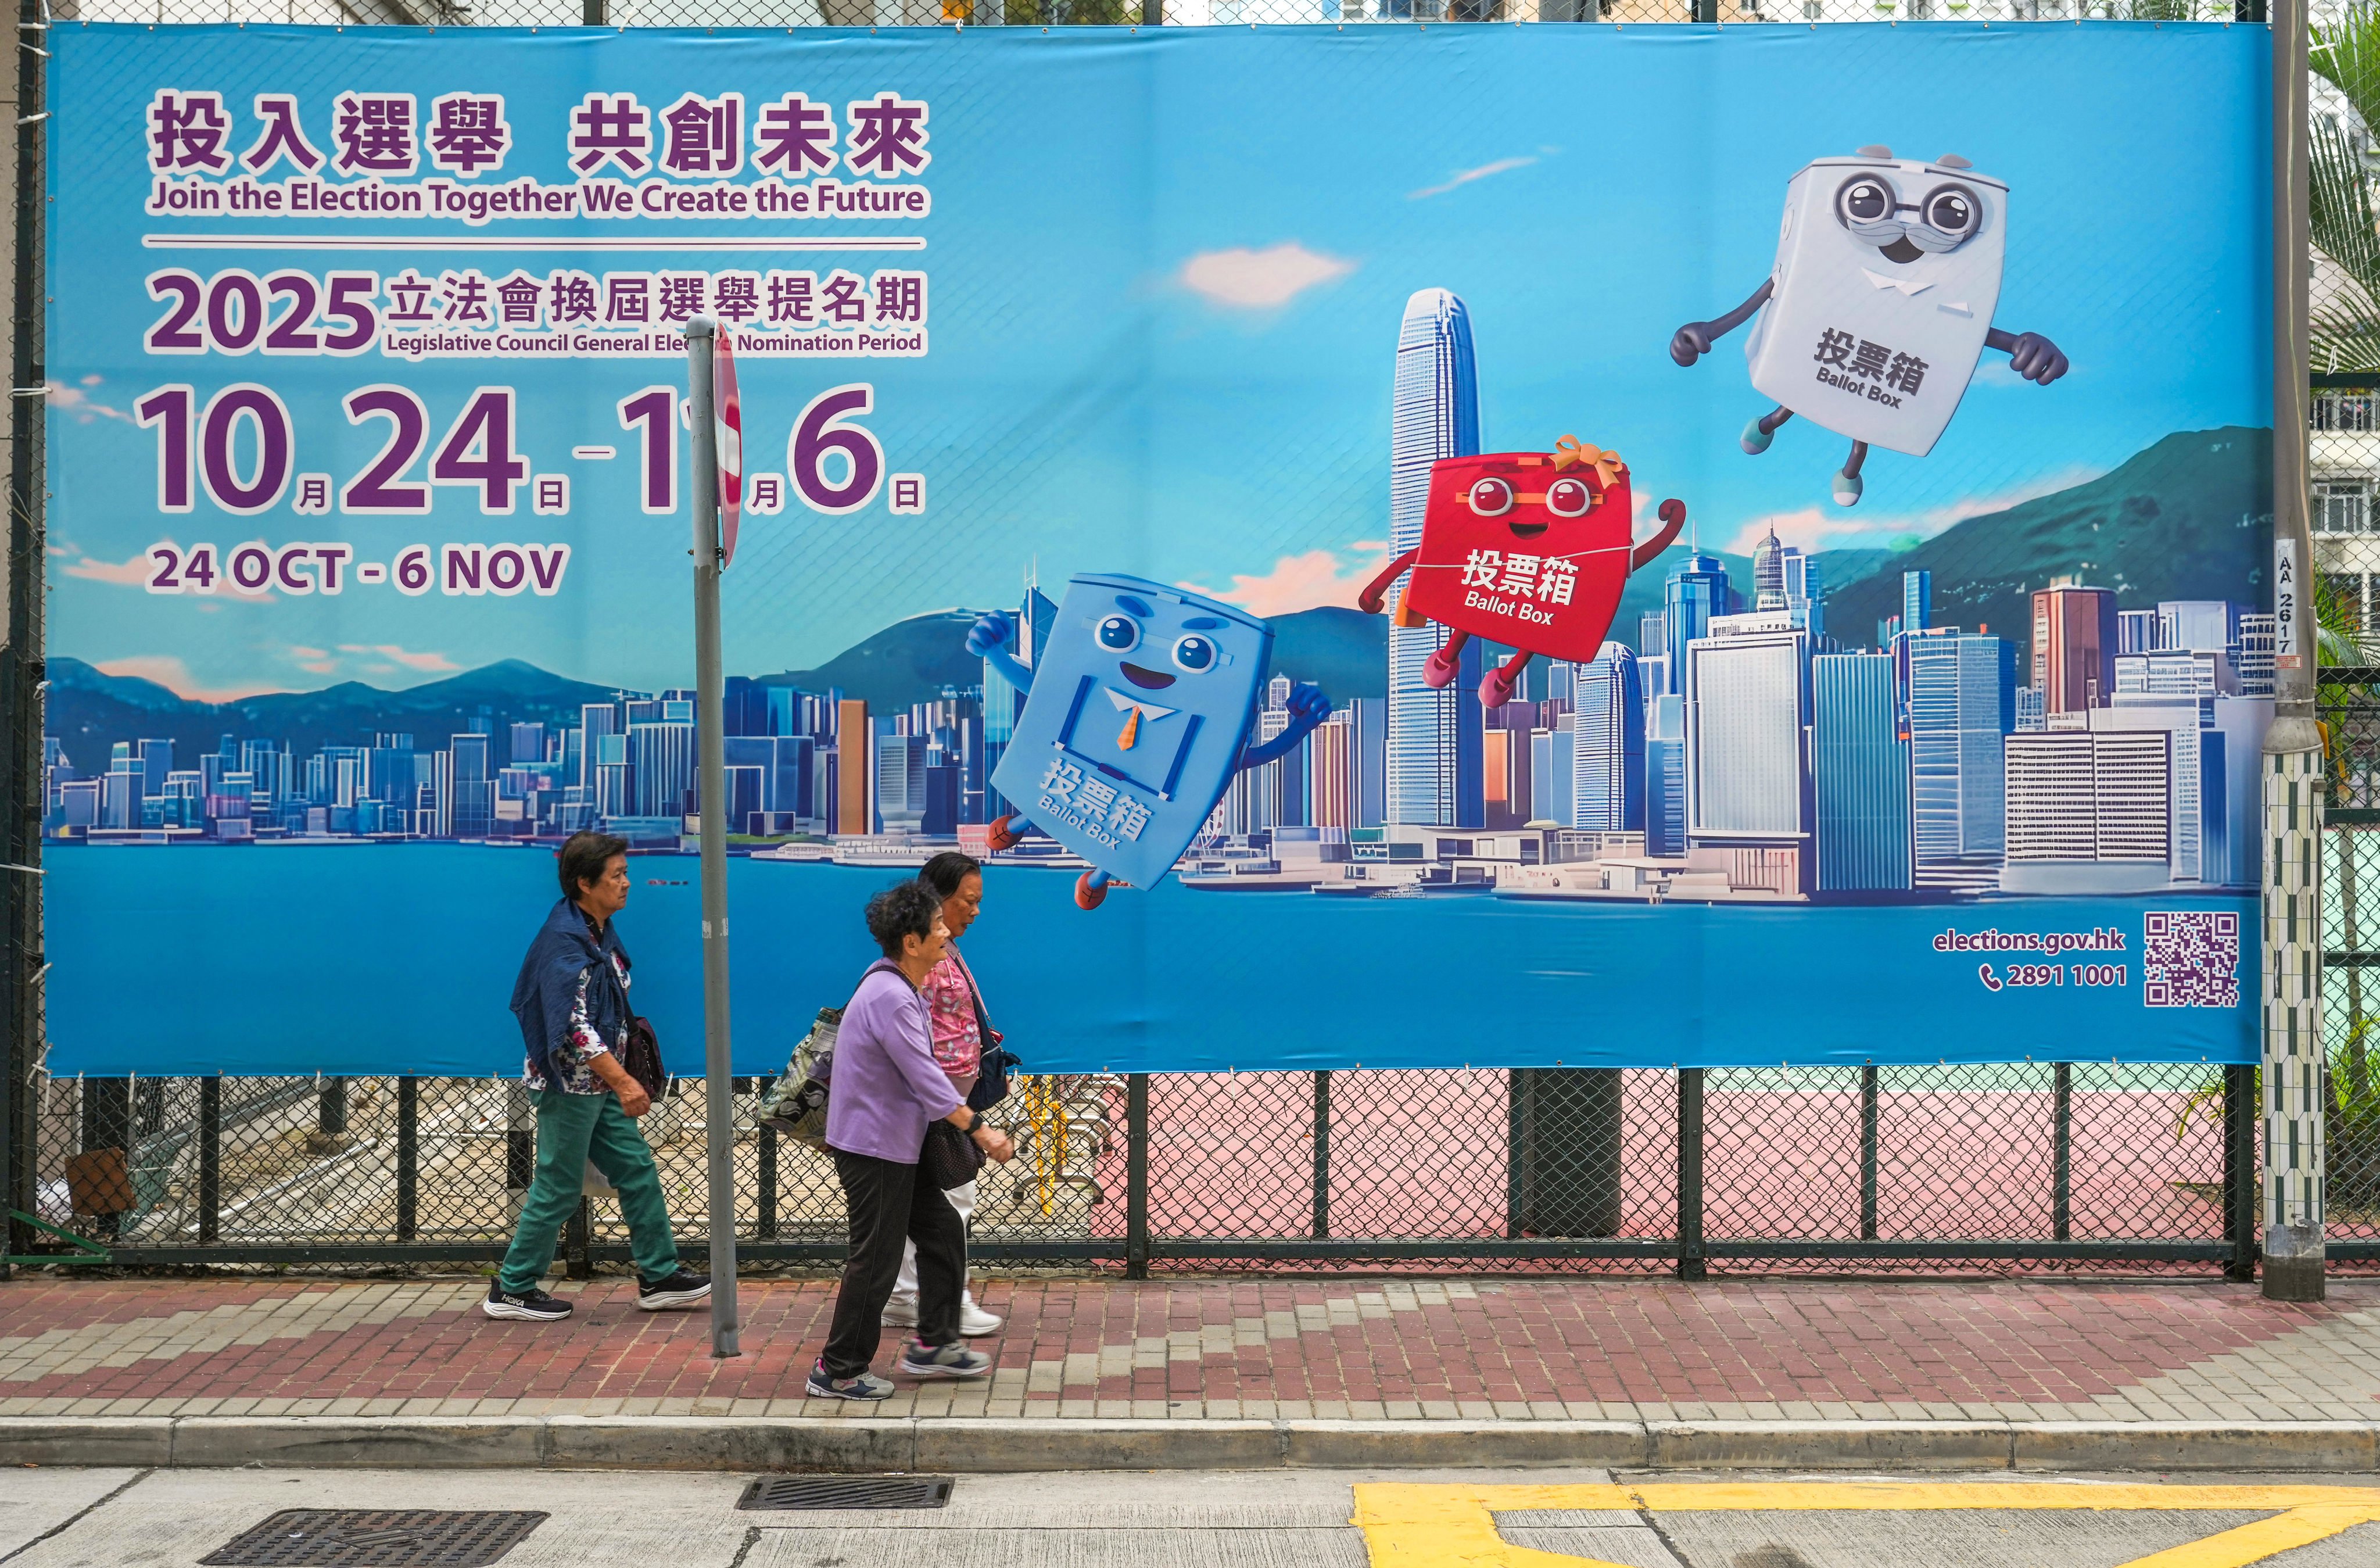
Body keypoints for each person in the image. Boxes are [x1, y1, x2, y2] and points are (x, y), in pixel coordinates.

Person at [486, 830, 711, 1323]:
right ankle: (514, 1286)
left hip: (598, 1086)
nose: (628, 883)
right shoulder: (565, 942)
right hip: (572, 1087)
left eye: (626, 872)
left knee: (635, 1168)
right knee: (559, 1186)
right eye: (617, 875)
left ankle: (659, 1276)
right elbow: (572, 1024)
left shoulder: (594, 931)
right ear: (586, 883)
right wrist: (626, 1081)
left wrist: (617, 1079)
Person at [808, 882, 1016, 1401]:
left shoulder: (896, 985)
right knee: (875, 1259)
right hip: (874, 1147)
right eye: (938, 925)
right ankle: (838, 1369)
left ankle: (936, 1343)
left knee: (943, 1231)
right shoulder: (892, 997)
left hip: (895, 1143)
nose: (947, 931)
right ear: (911, 941)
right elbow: (926, 1079)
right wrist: (981, 1130)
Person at [884, 851, 1002, 1336]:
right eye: (967, 901)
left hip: (945, 1098)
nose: (976, 911)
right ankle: (944, 1301)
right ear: (937, 899)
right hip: (936, 1103)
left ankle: (908, 1296)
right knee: (953, 1199)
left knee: (932, 1199)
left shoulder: (947, 950)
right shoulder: (926, 959)